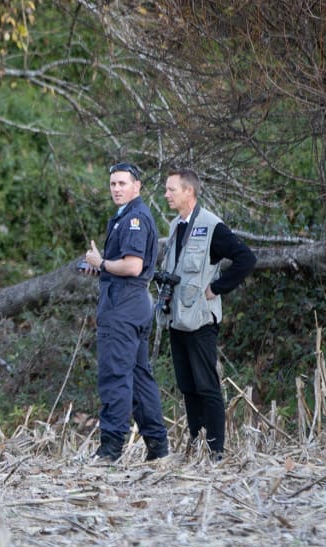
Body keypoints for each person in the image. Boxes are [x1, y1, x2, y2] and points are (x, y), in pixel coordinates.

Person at [160, 168, 256, 458]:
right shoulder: (176, 225)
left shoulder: (212, 226)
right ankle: (196, 444)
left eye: (171, 190)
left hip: (201, 320)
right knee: (187, 386)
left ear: (189, 191)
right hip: (178, 320)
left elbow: (246, 258)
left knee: (207, 386)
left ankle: (216, 451)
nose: (166, 195)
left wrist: (217, 287)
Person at [81, 162, 169, 462]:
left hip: (124, 307)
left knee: (115, 377)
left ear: (137, 186)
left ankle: (110, 449)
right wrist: (102, 269)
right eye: (113, 184)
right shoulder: (128, 216)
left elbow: (132, 266)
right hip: (133, 305)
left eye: (122, 183)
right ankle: (158, 447)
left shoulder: (134, 219)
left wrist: (102, 262)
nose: (116, 189)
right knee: (140, 378)